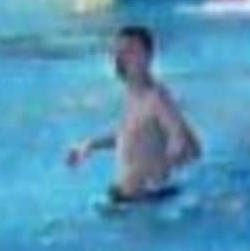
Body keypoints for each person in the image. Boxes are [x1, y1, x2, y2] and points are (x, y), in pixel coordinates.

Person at [66, 25, 202, 203]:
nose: (121, 58)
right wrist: (91, 145)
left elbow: (182, 142)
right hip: (127, 198)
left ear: (148, 57)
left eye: (130, 52)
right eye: (118, 52)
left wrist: (158, 171)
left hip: (145, 201)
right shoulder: (134, 95)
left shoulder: (156, 97)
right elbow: (133, 136)